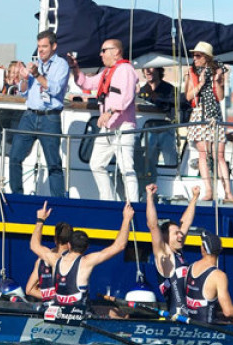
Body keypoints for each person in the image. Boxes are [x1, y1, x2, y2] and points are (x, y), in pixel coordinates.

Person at [30, 201, 133, 310]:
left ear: (69, 245)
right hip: (79, 316)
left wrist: (40, 220)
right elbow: (119, 246)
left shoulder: (55, 260)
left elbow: (34, 245)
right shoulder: (87, 262)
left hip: (58, 313)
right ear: (87, 247)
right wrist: (127, 219)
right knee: (118, 313)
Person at [70, 39, 139, 202]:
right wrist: (75, 67)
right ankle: (108, 198)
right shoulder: (107, 72)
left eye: (104, 50)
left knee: (126, 167)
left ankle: (133, 204)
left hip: (123, 126)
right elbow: (86, 83)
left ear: (115, 52)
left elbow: (126, 97)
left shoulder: (126, 70)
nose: (100, 54)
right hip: (108, 127)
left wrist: (108, 112)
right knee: (96, 163)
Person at [8, 30, 68, 198]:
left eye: (44, 47)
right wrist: (25, 79)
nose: (40, 50)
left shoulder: (61, 65)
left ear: (54, 46)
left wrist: (36, 74)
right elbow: (24, 93)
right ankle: (17, 196)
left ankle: (58, 202)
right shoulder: (36, 64)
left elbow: (55, 89)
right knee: (14, 157)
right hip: (30, 115)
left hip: (50, 117)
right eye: (38, 47)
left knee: (53, 163)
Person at [184, 42, 233, 203]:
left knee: (219, 154)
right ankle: (209, 191)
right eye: (194, 55)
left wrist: (217, 81)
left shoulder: (217, 72)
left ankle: (228, 193)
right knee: (202, 154)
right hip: (200, 113)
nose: (194, 58)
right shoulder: (191, 72)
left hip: (214, 114)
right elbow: (188, 96)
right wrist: (200, 83)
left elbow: (220, 97)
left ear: (206, 58)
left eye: (198, 55)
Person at [145, 184, 201, 314]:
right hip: (176, 319)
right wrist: (149, 196)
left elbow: (185, 223)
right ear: (164, 236)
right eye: (176, 233)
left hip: (192, 318)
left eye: (180, 233)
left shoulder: (179, 252)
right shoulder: (164, 254)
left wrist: (194, 198)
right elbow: (153, 225)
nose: (180, 235)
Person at [184, 232, 233, 322]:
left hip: (191, 328)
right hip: (209, 331)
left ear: (202, 248)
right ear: (220, 250)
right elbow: (228, 311)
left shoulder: (191, 267)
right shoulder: (218, 276)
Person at [138, 67, 178, 184]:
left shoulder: (169, 89)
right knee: (147, 161)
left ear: (158, 70)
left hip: (166, 129)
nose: (147, 71)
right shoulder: (142, 90)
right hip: (148, 131)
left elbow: (174, 108)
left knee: (171, 161)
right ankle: (149, 184)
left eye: (151, 68)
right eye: (144, 69)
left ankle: (172, 183)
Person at [25, 219, 73, 302]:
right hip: (69, 308)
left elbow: (29, 290)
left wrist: (40, 220)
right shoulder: (75, 261)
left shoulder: (42, 259)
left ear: (55, 240)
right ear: (71, 242)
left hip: (49, 309)